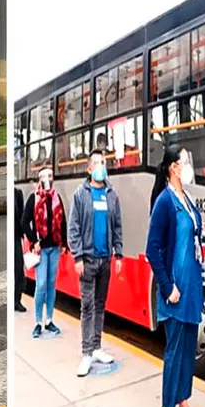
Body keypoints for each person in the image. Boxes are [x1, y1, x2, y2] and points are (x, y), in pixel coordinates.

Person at [145, 145, 205, 407]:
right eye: (185, 161)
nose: (189, 166)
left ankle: (185, 401)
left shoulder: (185, 198)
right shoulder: (164, 202)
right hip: (175, 290)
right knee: (174, 350)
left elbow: (190, 231)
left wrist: (202, 229)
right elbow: (153, 249)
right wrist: (166, 286)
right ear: (173, 167)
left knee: (188, 350)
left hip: (192, 288)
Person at [68, 149, 123, 376]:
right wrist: (78, 256)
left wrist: (118, 254)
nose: (102, 166)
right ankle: (86, 353)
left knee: (100, 305)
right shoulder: (80, 194)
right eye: (97, 163)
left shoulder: (112, 194)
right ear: (89, 169)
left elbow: (117, 226)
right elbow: (74, 228)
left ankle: (97, 347)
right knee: (87, 306)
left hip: (105, 260)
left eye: (104, 162)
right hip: (88, 260)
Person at [21, 167, 67, 337]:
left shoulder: (56, 198)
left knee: (51, 285)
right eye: (44, 176)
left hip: (54, 248)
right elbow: (24, 222)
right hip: (41, 250)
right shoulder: (34, 199)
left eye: (50, 176)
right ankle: (38, 322)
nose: (48, 179)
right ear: (39, 179)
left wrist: (64, 244)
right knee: (40, 286)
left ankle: (49, 320)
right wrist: (34, 241)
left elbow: (62, 222)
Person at [14, 186, 27, 313]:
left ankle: (17, 301)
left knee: (18, 270)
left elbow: (22, 216)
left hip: (16, 238)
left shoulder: (18, 193)